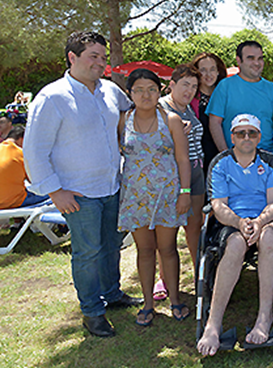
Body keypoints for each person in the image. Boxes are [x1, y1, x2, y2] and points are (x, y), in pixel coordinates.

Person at [24, 31, 141, 338]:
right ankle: (92, 312)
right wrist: (54, 191)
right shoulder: (52, 97)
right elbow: (34, 150)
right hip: (77, 193)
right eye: (94, 56)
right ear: (72, 58)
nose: (101, 63)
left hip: (112, 186)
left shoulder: (110, 91)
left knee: (111, 246)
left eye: (103, 57)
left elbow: (131, 113)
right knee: (88, 253)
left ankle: (112, 294)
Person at [196, 114, 273, 355]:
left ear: (259, 137)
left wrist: (258, 222)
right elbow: (218, 206)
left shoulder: (271, 162)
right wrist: (239, 222)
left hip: (265, 220)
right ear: (232, 136)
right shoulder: (220, 163)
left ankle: (264, 319)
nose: (246, 137)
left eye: (252, 133)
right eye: (240, 133)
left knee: (268, 238)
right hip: (231, 222)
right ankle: (213, 325)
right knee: (235, 246)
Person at [118, 68, 192, 326]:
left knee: (168, 249)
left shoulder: (171, 120)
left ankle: (175, 300)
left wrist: (185, 192)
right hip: (136, 197)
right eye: (138, 89)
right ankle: (148, 303)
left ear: (159, 90)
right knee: (145, 250)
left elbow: (183, 159)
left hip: (167, 195)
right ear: (130, 93)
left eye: (151, 88)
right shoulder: (122, 120)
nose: (145, 94)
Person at [155, 64, 205, 300]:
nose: (190, 90)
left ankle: (200, 278)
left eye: (194, 86)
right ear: (172, 84)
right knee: (168, 232)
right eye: (185, 84)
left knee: (194, 228)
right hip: (171, 176)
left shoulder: (188, 109)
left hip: (196, 174)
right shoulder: (161, 108)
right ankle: (163, 279)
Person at [206, 40, 273, 163]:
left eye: (260, 58)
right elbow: (214, 123)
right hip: (233, 160)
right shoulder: (225, 86)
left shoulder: (272, 89)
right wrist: (225, 155)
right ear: (239, 60)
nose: (257, 63)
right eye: (251, 58)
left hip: (266, 160)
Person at [190, 52, 227, 178]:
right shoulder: (190, 97)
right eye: (203, 70)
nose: (208, 74)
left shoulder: (225, 94)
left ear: (218, 71)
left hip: (225, 151)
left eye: (212, 69)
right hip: (199, 156)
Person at [0, 126, 49, 209]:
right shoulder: (21, 154)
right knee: (51, 195)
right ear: (22, 139)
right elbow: (35, 181)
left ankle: (17, 221)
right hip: (10, 202)